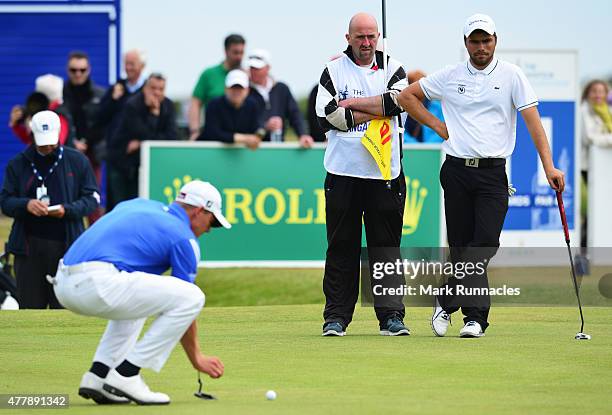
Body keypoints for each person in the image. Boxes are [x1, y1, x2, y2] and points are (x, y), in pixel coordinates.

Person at [398, 13, 565, 338]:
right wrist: (437, 126)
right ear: (466, 44)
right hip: (457, 170)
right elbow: (407, 97)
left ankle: (445, 299)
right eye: (475, 41)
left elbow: (533, 121)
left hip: (493, 174)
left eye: (486, 40)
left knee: (484, 244)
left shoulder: (512, 76)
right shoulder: (449, 75)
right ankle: (475, 318)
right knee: (462, 248)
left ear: (495, 41)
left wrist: (549, 166)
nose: (481, 47)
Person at [51, 180, 228, 405]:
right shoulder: (185, 239)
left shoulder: (138, 204)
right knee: (194, 296)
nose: (210, 228)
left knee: (141, 299)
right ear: (199, 211)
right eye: (212, 220)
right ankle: (127, 374)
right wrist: (197, 359)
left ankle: (98, 375)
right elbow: (186, 306)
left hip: (63, 282)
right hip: (95, 283)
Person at [315, 13, 409, 336]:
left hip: (385, 173)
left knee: (386, 248)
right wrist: (377, 107)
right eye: (360, 37)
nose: (366, 44)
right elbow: (327, 115)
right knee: (342, 246)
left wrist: (352, 106)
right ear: (348, 38)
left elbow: (398, 102)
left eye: (371, 37)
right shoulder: (333, 70)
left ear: (378, 36)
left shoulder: (394, 68)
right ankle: (337, 317)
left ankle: (391, 316)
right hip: (343, 173)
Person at [0, 111, 99, 309]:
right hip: (28, 249)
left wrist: (67, 209)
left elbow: (92, 199)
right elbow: (5, 202)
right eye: (42, 143)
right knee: (29, 308)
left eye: (51, 143)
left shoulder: (77, 161)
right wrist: (26, 205)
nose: (47, 147)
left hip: (67, 247)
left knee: (64, 309)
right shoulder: (17, 164)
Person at [112, 73, 178, 203]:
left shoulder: (168, 105)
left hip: (154, 164)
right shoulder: (133, 104)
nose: (157, 93)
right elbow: (139, 131)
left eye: (161, 89)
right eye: (153, 88)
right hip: (125, 165)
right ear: (145, 88)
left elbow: (172, 136)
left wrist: (141, 143)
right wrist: (154, 116)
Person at [98, 49, 147, 211]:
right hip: (116, 155)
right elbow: (100, 117)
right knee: (116, 205)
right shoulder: (117, 88)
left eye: (132, 64)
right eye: (126, 64)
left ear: (142, 66)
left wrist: (141, 141)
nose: (128, 68)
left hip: (139, 159)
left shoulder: (148, 91)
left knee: (136, 204)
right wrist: (112, 100)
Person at [63, 51, 106, 223]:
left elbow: (104, 124)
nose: (78, 74)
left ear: (88, 70)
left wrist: (88, 143)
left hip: (91, 154)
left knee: (92, 196)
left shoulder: (99, 95)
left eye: (82, 70)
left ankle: (96, 238)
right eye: (74, 70)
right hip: (65, 153)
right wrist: (71, 141)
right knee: (67, 195)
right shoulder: (60, 94)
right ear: (68, 70)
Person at [247, 49, 314, 148]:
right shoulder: (244, 90)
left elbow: (295, 114)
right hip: (252, 148)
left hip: (277, 146)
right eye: (251, 68)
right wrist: (265, 127)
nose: (253, 71)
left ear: (268, 68)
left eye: (257, 68)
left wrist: (302, 134)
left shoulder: (281, 89)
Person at [188, 34, 246, 140]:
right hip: (215, 135)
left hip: (242, 140)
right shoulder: (209, 74)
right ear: (226, 51)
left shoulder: (247, 76)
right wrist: (194, 131)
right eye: (235, 52)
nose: (239, 57)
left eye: (241, 52)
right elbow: (195, 103)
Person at [579, 80, 612, 247]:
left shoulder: (608, 112)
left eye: (602, 91)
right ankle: (584, 247)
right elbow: (590, 138)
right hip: (586, 170)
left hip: (605, 172)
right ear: (587, 93)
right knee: (590, 210)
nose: (598, 95)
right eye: (594, 91)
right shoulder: (584, 111)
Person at [198, 69, 263, 149]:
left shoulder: (252, 105)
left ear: (247, 90)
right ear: (226, 89)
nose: (236, 92)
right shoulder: (214, 104)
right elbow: (213, 133)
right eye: (233, 88)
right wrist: (244, 139)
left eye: (240, 88)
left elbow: (256, 130)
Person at [8, 74, 75, 146]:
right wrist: (17, 126)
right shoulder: (42, 113)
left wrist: (31, 129)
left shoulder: (58, 116)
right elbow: (31, 141)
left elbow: (51, 146)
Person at [402, 70, 444, 143]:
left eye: (422, 86)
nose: (419, 90)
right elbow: (398, 130)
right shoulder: (400, 108)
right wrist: (415, 147)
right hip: (407, 150)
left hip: (433, 150)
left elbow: (443, 129)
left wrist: (426, 148)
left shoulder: (438, 107)